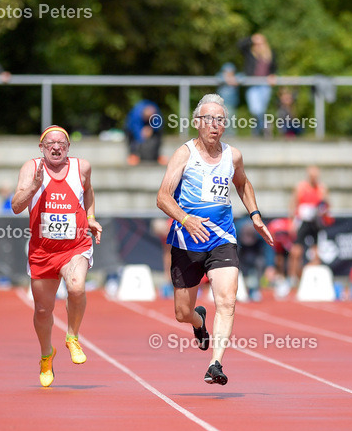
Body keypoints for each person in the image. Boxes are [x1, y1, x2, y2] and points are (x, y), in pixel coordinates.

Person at [156, 93, 274, 385]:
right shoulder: (185, 154)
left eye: (220, 120)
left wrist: (256, 215)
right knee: (182, 313)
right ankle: (198, 321)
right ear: (197, 122)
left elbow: (243, 184)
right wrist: (185, 218)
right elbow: (162, 197)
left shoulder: (232, 156)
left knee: (227, 300)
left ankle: (216, 363)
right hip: (186, 241)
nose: (214, 125)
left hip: (222, 238)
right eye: (209, 119)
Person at [12, 126, 101, 388]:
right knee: (42, 310)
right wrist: (34, 187)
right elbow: (17, 206)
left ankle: (72, 336)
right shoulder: (31, 169)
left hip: (75, 246)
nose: (56, 147)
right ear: (42, 147)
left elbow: (88, 192)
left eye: (61, 143)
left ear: (68, 147)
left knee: (76, 286)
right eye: (50, 143)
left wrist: (92, 218)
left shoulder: (81, 167)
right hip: (42, 251)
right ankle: (46, 355)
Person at [288, 166, 331, 285]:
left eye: (316, 176)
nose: (314, 178)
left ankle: (308, 278)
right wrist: (291, 222)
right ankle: (293, 278)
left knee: (316, 253)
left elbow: (327, 205)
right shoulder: (300, 187)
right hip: (302, 221)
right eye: (312, 176)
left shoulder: (322, 188)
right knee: (296, 252)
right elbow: (293, 204)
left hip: (315, 223)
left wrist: (324, 210)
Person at [238, 33, 277, 137]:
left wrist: (272, 75)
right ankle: (265, 125)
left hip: (265, 85)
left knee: (261, 110)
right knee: (255, 109)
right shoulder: (250, 53)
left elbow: (274, 68)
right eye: (257, 43)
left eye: (261, 43)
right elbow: (240, 45)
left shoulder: (270, 54)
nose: (259, 45)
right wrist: (251, 39)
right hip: (252, 84)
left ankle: (256, 132)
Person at [124, 100, 165, 165]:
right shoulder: (136, 114)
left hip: (149, 126)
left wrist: (152, 129)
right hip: (131, 128)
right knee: (132, 138)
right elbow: (135, 130)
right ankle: (134, 154)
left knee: (158, 135)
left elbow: (159, 125)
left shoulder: (156, 113)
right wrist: (142, 135)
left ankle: (157, 156)